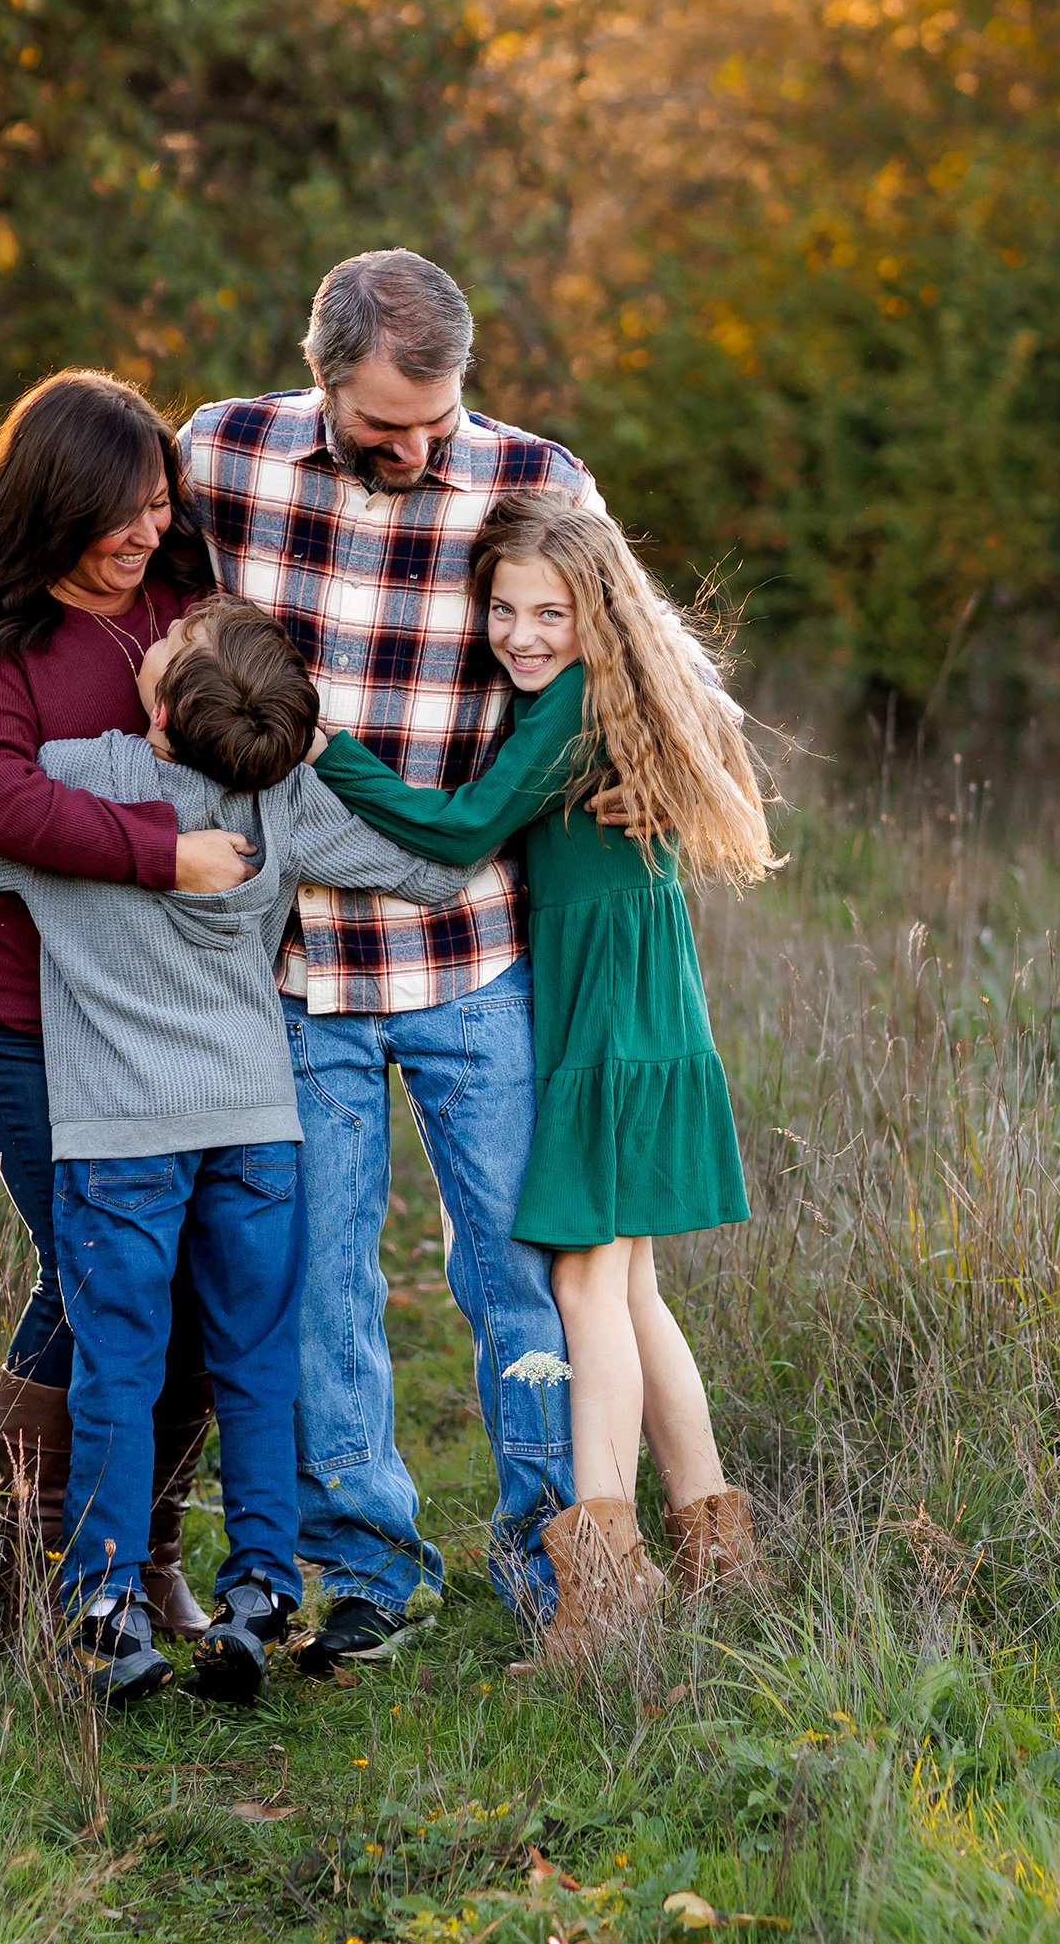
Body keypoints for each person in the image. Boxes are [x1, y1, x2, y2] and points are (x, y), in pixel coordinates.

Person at [0, 596, 469, 1705]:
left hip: (119, 1132)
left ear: (161, 718)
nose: (151, 636)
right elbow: (434, 872)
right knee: (253, 1360)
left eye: (162, 650)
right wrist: (315, 758)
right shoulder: (286, 795)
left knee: (118, 1361)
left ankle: (106, 1608)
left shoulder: (75, 776)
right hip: (256, 1123)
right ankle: (259, 1588)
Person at [180, 249, 596, 1666]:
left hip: (477, 953)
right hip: (291, 964)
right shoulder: (221, 455)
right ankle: (368, 1563)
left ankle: (554, 1548)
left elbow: (613, 690)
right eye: (382, 428)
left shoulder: (540, 480)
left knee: (516, 1272)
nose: (417, 450)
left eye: (438, 421)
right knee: (317, 1276)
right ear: (319, 381)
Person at [311, 491, 776, 1652]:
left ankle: (606, 1577)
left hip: (606, 1023)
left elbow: (461, 829)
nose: (519, 633)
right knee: (629, 1288)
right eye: (502, 608)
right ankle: (718, 1548)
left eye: (548, 611)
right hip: (635, 1004)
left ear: (596, 614)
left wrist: (334, 752)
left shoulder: (572, 706)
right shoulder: (617, 689)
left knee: (582, 1289)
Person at [0, 370, 256, 1639]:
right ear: (47, 506)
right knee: (96, 1262)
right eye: (116, 513)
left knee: (197, 1271)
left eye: (158, 505)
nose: (142, 533)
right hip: (17, 1002)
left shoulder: (182, 604)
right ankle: (32, 1568)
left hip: (163, 1004)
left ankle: (147, 1553)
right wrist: (161, 848)